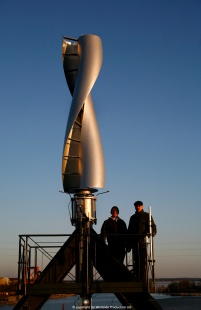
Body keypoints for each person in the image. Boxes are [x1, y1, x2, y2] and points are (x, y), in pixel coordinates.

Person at [127, 200, 157, 283]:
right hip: (134, 243)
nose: (138, 207)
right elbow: (129, 231)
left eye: (139, 205)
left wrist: (150, 233)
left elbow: (153, 227)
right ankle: (137, 278)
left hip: (143, 242)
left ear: (142, 206)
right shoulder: (132, 218)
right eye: (136, 206)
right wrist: (128, 244)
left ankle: (142, 280)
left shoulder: (147, 216)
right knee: (135, 262)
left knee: (142, 262)